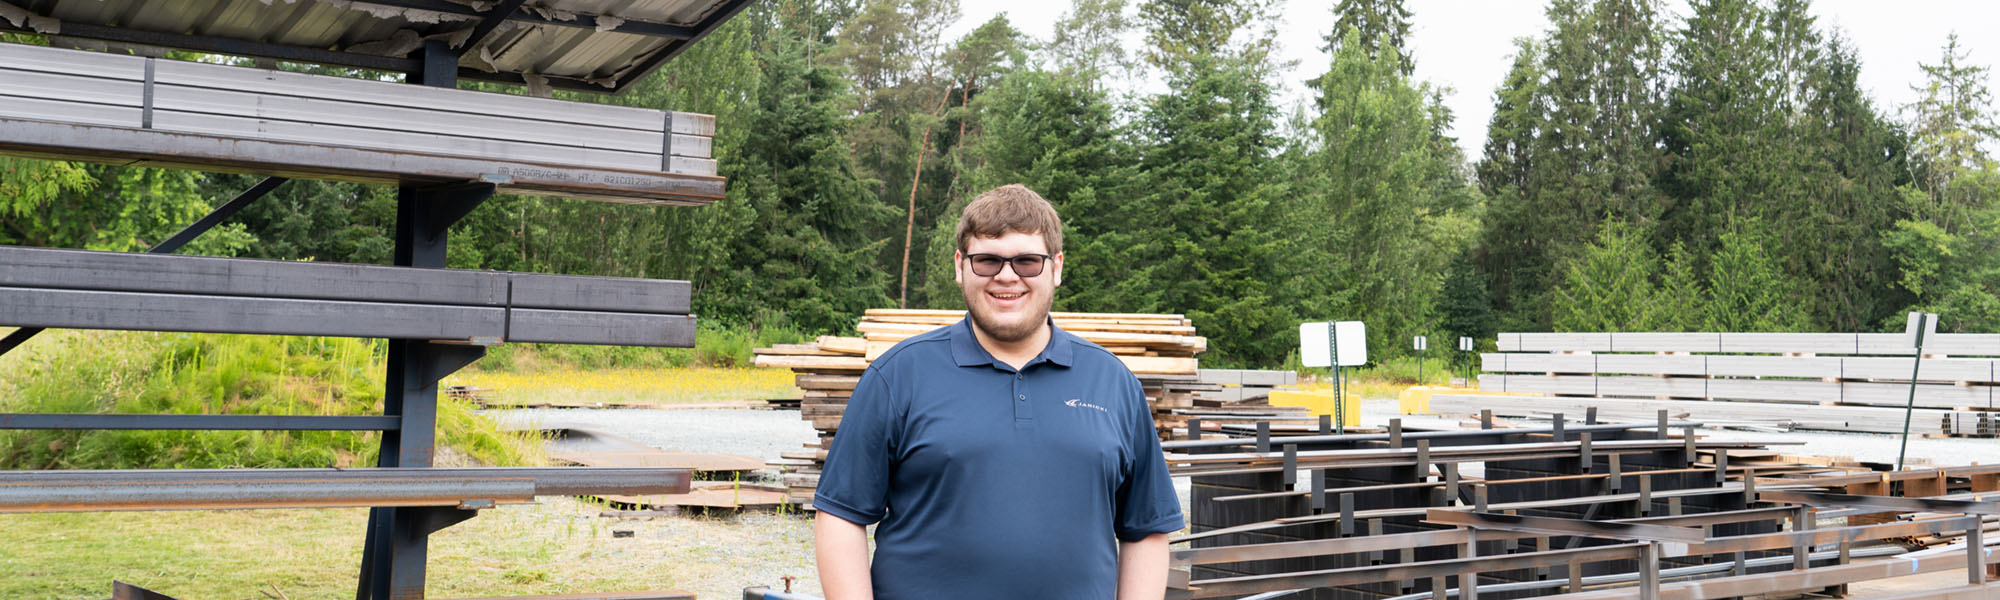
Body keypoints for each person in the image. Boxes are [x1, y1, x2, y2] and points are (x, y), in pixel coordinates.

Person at [812, 184, 1184, 600]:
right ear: (960, 266)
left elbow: (1147, 529)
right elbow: (841, 515)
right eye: (987, 260)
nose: (1007, 276)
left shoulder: (1113, 383)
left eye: (1027, 261)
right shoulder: (898, 376)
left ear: (1056, 267)